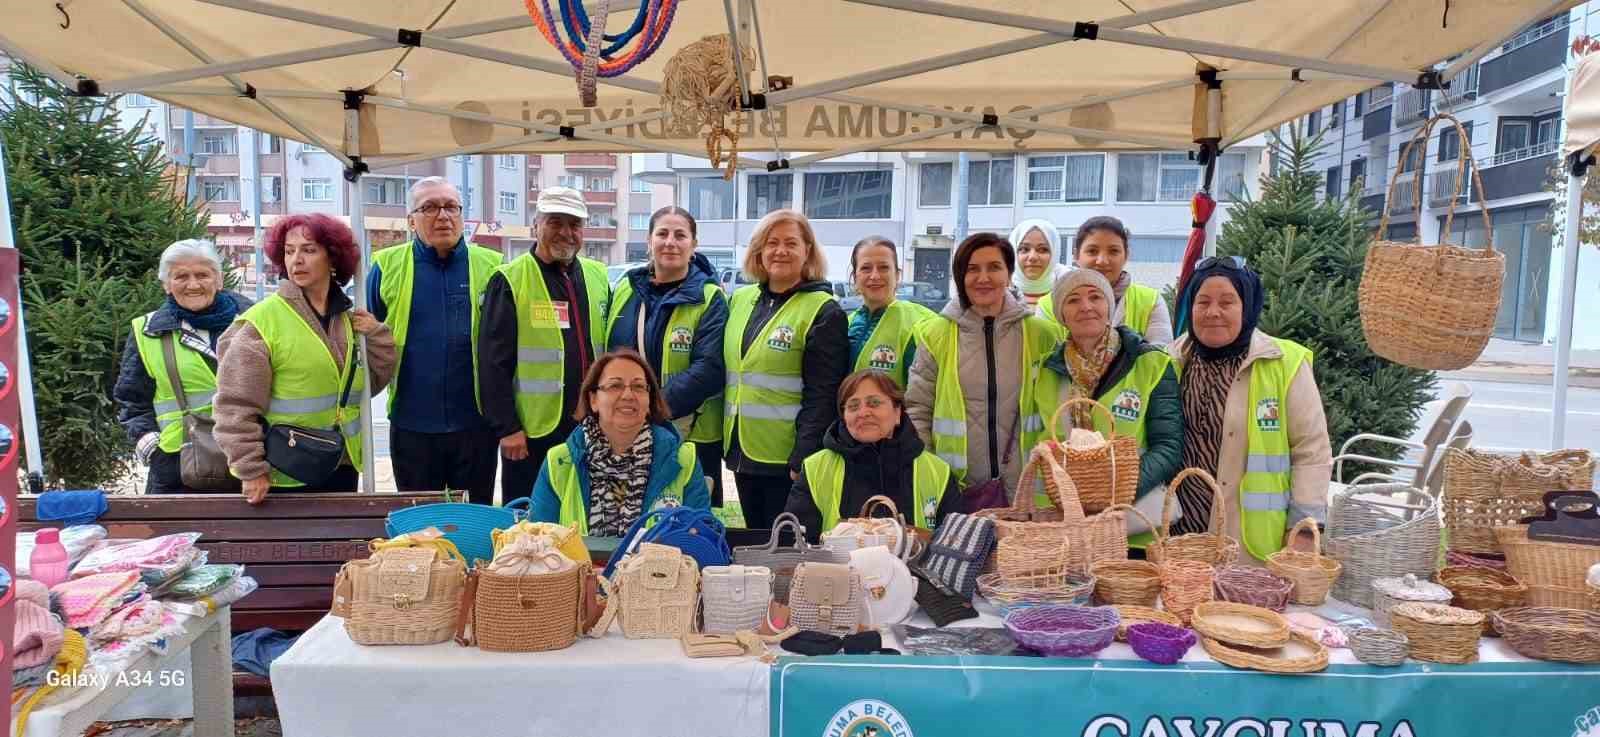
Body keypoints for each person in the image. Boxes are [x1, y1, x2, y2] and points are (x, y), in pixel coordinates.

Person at [214, 214, 397, 502]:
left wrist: (377, 336)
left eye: (309, 250)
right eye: (289, 251)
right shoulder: (262, 323)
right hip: (283, 471)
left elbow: (367, 386)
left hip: (340, 463)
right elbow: (234, 407)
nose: (296, 259)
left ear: (333, 258)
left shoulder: (348, 321)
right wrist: (250, 469)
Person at [1168, 257, 1332, 561]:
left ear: (1248, 306)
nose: (1213, 312)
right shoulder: (1171, 360)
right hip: (1178, 533)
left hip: (1249, 542)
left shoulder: (1283, 363)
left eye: (1227, 302)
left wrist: (1305, 528)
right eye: (1202, 301)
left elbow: (1311, 450)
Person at [366, 177, 504, 504]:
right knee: (419, 524)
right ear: (411, 220)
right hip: (412, 423)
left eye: (451, 207)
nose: (443, 216)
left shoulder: (492, 265)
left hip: (476, 424)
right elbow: (368, 336)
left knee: (473, 521)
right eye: (429, 207)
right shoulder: (386, 266)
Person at [1030, 269, 1183, 546]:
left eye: (1095, 297)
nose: (1086, 306)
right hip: (1067, 526)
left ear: (1109, 306)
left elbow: (1168, 447)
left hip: (1135, 527)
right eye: (1073, 300)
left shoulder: (1151, 364)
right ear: (1061, 314)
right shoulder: (1046, 371)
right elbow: (1042, 442)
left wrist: (1116, 491)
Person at [479, 186, 610, 506]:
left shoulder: (597, 275)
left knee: (584, 512)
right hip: (531, 432)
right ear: (536, 225)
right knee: (531, 519)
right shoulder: (510, 279)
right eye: (555, 222)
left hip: (588, 427)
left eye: (574, 224)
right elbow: (492, 363)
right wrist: (507, 427)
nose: (565, 232)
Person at [723, 209, 849, 530]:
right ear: (759, 252)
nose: (780, 251)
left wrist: (803, 457)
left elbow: (823, 394)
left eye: (791, 243)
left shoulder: (823, 310)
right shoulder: (740, 300)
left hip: (786, 460)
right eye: (772, 243)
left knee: (783, 551)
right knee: (754, 540)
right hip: (742, 452)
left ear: (807, 250)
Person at [906, 232, 1059, 492]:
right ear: (960, 278)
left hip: (1029, 490)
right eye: (972, 269)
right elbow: (918, 410)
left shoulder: (1042, 335)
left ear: (1009, 274)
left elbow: (1057, 410)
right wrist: (934, 475)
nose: (983, 278)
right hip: (955, 490)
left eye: (994, 267)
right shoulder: (936, 334)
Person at [605, 206, 729, 507]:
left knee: (688, 526)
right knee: (631, 518)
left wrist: (652, 408)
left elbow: (709, 369)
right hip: (629, 431)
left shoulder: (710, 298)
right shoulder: (625, 290)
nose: (670, 242)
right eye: (662, 233)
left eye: (680, 235)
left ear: (693, 245)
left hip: (692, 436)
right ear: (649, 241)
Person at [115, 239, 253, 493]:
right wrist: (154, 452)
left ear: (219, 280)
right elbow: (131, 401)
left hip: (251, 464)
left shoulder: (254, 323)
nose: (193, 284)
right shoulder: (147, 332)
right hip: (177, 471)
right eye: (181, 276)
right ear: (166, 284)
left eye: (202, 275)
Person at [529, 350, 709, 535]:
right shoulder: (560, 461)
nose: (628, 395)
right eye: (615, 386)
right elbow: (536, 542)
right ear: (593, 400)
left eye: (638, 387)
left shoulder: (683, 459)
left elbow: (703, 541)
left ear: (649, 400)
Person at [786, 369, 962, 538]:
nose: (863, 413)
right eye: (853, 406)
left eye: (874, 403)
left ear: (898, 412)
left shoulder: (938, 471)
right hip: (837, 568)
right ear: (844, 417)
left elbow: (955, 546)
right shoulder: (814, 469)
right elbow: (795, 545)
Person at [1039, 217, 1174, 344]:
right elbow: (1045, 360)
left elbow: (1161, 358)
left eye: (1113, 251)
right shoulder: (1048, 305)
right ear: (1076, 255)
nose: (1102, 261)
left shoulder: (1150, 301)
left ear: (1126, 255)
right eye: (1092, 251)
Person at [846, 237, 936, 388]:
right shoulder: (845, 324)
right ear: (855, 277)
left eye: (883, 267)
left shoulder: (923, 323)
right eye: (866, 268)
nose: (874, 276)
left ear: (897, 275)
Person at [1008, 219, 1068, 308]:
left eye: (1043, 249)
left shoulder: (1069, 291)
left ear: (1054, 253)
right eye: (1024, 249)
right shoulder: (997, 292)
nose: (1033, 257)